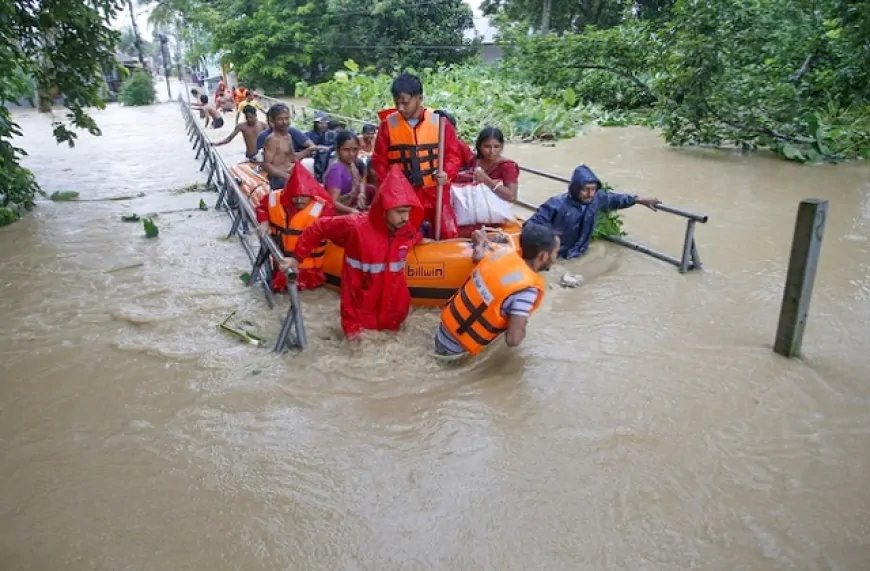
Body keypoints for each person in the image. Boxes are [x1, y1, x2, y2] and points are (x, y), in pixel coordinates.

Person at [280, 165, 424, 340]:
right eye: (400, 212)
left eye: (408, 212)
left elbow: (412, 238)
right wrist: (296, 258)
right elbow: (319, 227)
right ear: (384, 209)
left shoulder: (406, 230)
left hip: (394, 311)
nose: (406, 218)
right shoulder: (355, 226)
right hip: (359, 311)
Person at [434, 223, 558, 357]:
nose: (556, 257)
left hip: (442, 331)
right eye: (556, 252)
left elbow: (478, 257)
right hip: (456, 351)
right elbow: (513, 340)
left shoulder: (501, 254)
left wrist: (480, 243)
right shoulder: (526, 291)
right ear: (543, 256)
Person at [371, 73, 464, 240]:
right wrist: (390, 192)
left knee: (448, 233)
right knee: (403, 235)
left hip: (435, 192)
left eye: (405, 103)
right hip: (404, 196)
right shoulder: (387, 126)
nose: (400, 108)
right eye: (397, 102)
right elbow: (380, 163)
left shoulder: (440, 122)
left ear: (419, 98)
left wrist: (447, 173)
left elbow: (454, 155)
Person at [527, 164, 661, 259]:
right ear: (575, 188)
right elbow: (531, 226)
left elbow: (616, 200)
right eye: (585, 189)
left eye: (593, 189)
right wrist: (550, 242)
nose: (590, 194)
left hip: (580, 252)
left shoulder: (597, 198)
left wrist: (638, 200)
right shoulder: (555, 205)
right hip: (558, 255)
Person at [255, 165, 336, 291]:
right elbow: (261, 207)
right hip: (281, 265)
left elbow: (315, 236)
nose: (299, 200)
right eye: (294, 196)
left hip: (310, 271)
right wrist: (264, 221)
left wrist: (296, 258)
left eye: (304, 196)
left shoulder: (323, 209)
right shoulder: (274, 199)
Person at [262, 104, 319, 189]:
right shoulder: (272, 140)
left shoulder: (288, 136)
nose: (284, 122)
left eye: (286, 118)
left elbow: (293, 158)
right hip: (279, 180)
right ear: (273, 121)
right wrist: (286, 176)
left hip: (290, 174)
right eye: (280, 119)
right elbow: (266, 165)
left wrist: (309, 150)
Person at [323, 131, 366, 215]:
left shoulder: (351, 164)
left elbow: (361, 181)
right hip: (337, 216)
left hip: (350, 209)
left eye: (355, 149)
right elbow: (332, 202)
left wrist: (361, 193)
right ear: (338, 150)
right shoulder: (337, 170)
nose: (351, 154)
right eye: (346, 150)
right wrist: (351, 211)